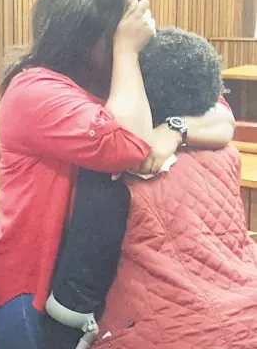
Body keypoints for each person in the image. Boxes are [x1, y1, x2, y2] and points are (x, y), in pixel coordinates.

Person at [0, 0, 234, 348]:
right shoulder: (33, 91)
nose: (139, 32)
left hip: (85, 291)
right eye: (126, 23)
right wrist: (127, 53)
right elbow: (129, 147)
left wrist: (175, 129)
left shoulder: (118, 83)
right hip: (27, 289)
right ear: (90, 30)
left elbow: (222, 117)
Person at [45, 27, 235, 349]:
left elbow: (77, 294)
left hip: (161, 332)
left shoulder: (115, 168)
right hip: (241, 312)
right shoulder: (225, 154)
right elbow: (223, 116)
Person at [89, 28, 257, 348]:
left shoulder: (121, 171)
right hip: (246, 313)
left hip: (169, 333)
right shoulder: (226, 154)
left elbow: (85, 278)